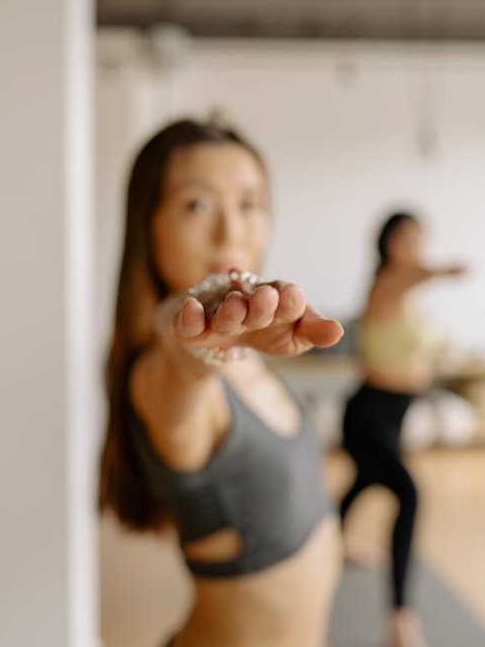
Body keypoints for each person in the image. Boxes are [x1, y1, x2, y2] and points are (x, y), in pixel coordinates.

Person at [97, 118, 345, 647]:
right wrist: (193, 333)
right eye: (198, 204)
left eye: (250, 204)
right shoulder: (158, 374)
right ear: (149, 225)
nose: (232, 232)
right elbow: (180, 354)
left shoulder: (251, 348)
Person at [338, 211, 466, 647]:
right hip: (368, 416)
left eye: (421, 240)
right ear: (389, 244)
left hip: (392, 417)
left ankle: (333, 541)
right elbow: (414, 274)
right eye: (408, 240)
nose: (416, 248)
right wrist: (445, 270)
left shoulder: (407, 299)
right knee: (408, 495)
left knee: (367, 480)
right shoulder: (387, 284)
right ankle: (401, 617)